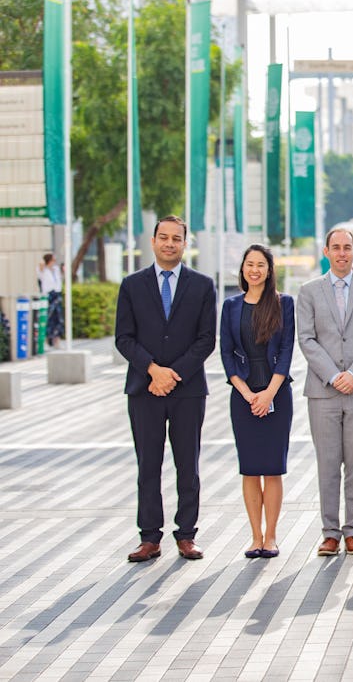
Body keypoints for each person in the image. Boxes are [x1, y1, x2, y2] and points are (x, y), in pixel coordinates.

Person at [115, 215, 216, 562]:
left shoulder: (202, 285)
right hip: (144, 389)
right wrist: (153, 371)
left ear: (185, 244)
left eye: (176, 238)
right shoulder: (132, 284)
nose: (169, 243)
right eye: (163, 237)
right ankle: (149, 537)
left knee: (188, 465)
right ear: (153, 241)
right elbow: (123, 338)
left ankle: (186, 535)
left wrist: (173, 374)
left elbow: (206, 340)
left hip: (188, 390)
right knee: (149, 465)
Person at [298, 227, 353, 557]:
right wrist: (335, 376)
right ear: (326, 252)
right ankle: (330, 532)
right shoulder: (308, 291)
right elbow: (306, 339)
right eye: (335, 248)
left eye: (347, 247)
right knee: (328, 463)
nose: (341, 253)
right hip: (323, 391)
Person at [220, 245, 295, 559]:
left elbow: (288, 351)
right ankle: (254, 537)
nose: (255, 270)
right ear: (243, 269)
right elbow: (225, 353)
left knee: (272, 469)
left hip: (276, 393)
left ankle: (271, 537)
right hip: (243, 396)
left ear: (269, 269)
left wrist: (268, 394)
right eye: (249, 264)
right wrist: (248, 393)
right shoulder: (231, 305)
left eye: (260, 264)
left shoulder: (284, 303)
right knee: (250, 469)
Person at [37, 253, 63, 346]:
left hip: (57, 294)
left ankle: (57, 340)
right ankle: (47, 340)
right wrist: (43, 262)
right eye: (53, 260)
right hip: (49, 295)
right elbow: (40, 266)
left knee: (59, 318)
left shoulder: (56, 269)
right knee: (49, 317)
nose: (54, 262)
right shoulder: (43, 270)